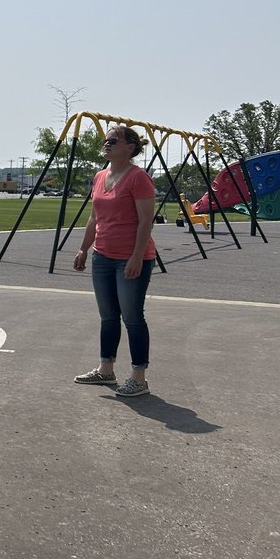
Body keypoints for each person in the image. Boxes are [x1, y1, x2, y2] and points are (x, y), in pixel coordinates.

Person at [72, 125, 158, 398]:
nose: (107, 144)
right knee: (108, 316)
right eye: (106, 141)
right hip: (103, 256)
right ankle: (105, 369)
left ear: (130, 148)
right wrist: (83, 249)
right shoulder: (100, 176)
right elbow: (94, 217)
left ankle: (139, 378)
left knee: (132, 317)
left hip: (130, 258)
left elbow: (146, 221)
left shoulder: (138, 178)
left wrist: (136, 257)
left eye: (113, 141)